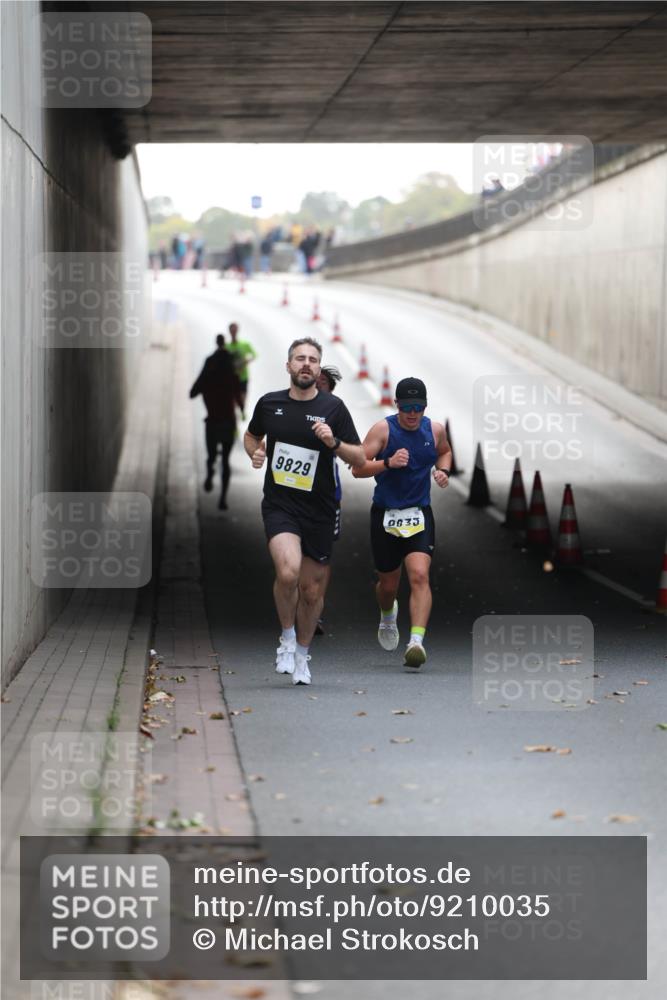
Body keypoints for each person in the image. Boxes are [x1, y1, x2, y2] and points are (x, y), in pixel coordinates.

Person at [244, 338, 364, 686]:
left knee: (311, 591)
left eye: (313, 359)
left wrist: (334, 443)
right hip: (280, 504)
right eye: (300, 359)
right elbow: (251, 437)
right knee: (287, 572)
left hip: (320, 510)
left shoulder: (334, 409)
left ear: (318, 367)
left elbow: (358, 459)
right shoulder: (270, 404)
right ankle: (285, 637)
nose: (306, 364)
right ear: (289, 366)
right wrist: (255, 453)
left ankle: (301, 654)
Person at [352, 377, 452, 669]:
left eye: (418, 407)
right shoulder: (383, 430)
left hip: (419, 513)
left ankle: (416, 642)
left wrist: (443, 471)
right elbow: (357, 468)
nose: (412, 413)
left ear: (425, 407)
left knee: (420, 575)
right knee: (388, 584)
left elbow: (444, 452)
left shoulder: (434, 430)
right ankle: (387, 614)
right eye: (407, 407)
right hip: (385, 514)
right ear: (396, 405)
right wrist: (387, 463)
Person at [190, 334, 243, 510]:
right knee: (226, 460)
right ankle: (223, 499)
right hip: (228, 422)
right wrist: (242, 410)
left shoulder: (209, 366)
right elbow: (239, 394)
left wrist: (201, 388)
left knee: (211, 456)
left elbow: (193, 391)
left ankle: (210, 471)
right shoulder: (231, 370)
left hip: (212, 422)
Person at [313, 365, 344, 635]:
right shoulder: (291, 406)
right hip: (291, 498)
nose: (317, 384)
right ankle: (299, 607)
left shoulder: (335, 411)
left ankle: (316, 612)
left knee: (321, 558)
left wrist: (333, 441)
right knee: (291, 559)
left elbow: (355, 454)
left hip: (327, 497)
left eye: (323, 383)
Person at [226, 322, 257, 417]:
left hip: (243, 376)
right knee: (233, 400)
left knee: (243, 397)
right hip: (231, 377)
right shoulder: (226, 346)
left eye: (235, 330)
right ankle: (235, 421)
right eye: (232, 330)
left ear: (237, 331)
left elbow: (254, 355)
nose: (233, 332)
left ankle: (242, 410)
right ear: (229, 331)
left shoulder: (244, 344)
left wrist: (247, 360)